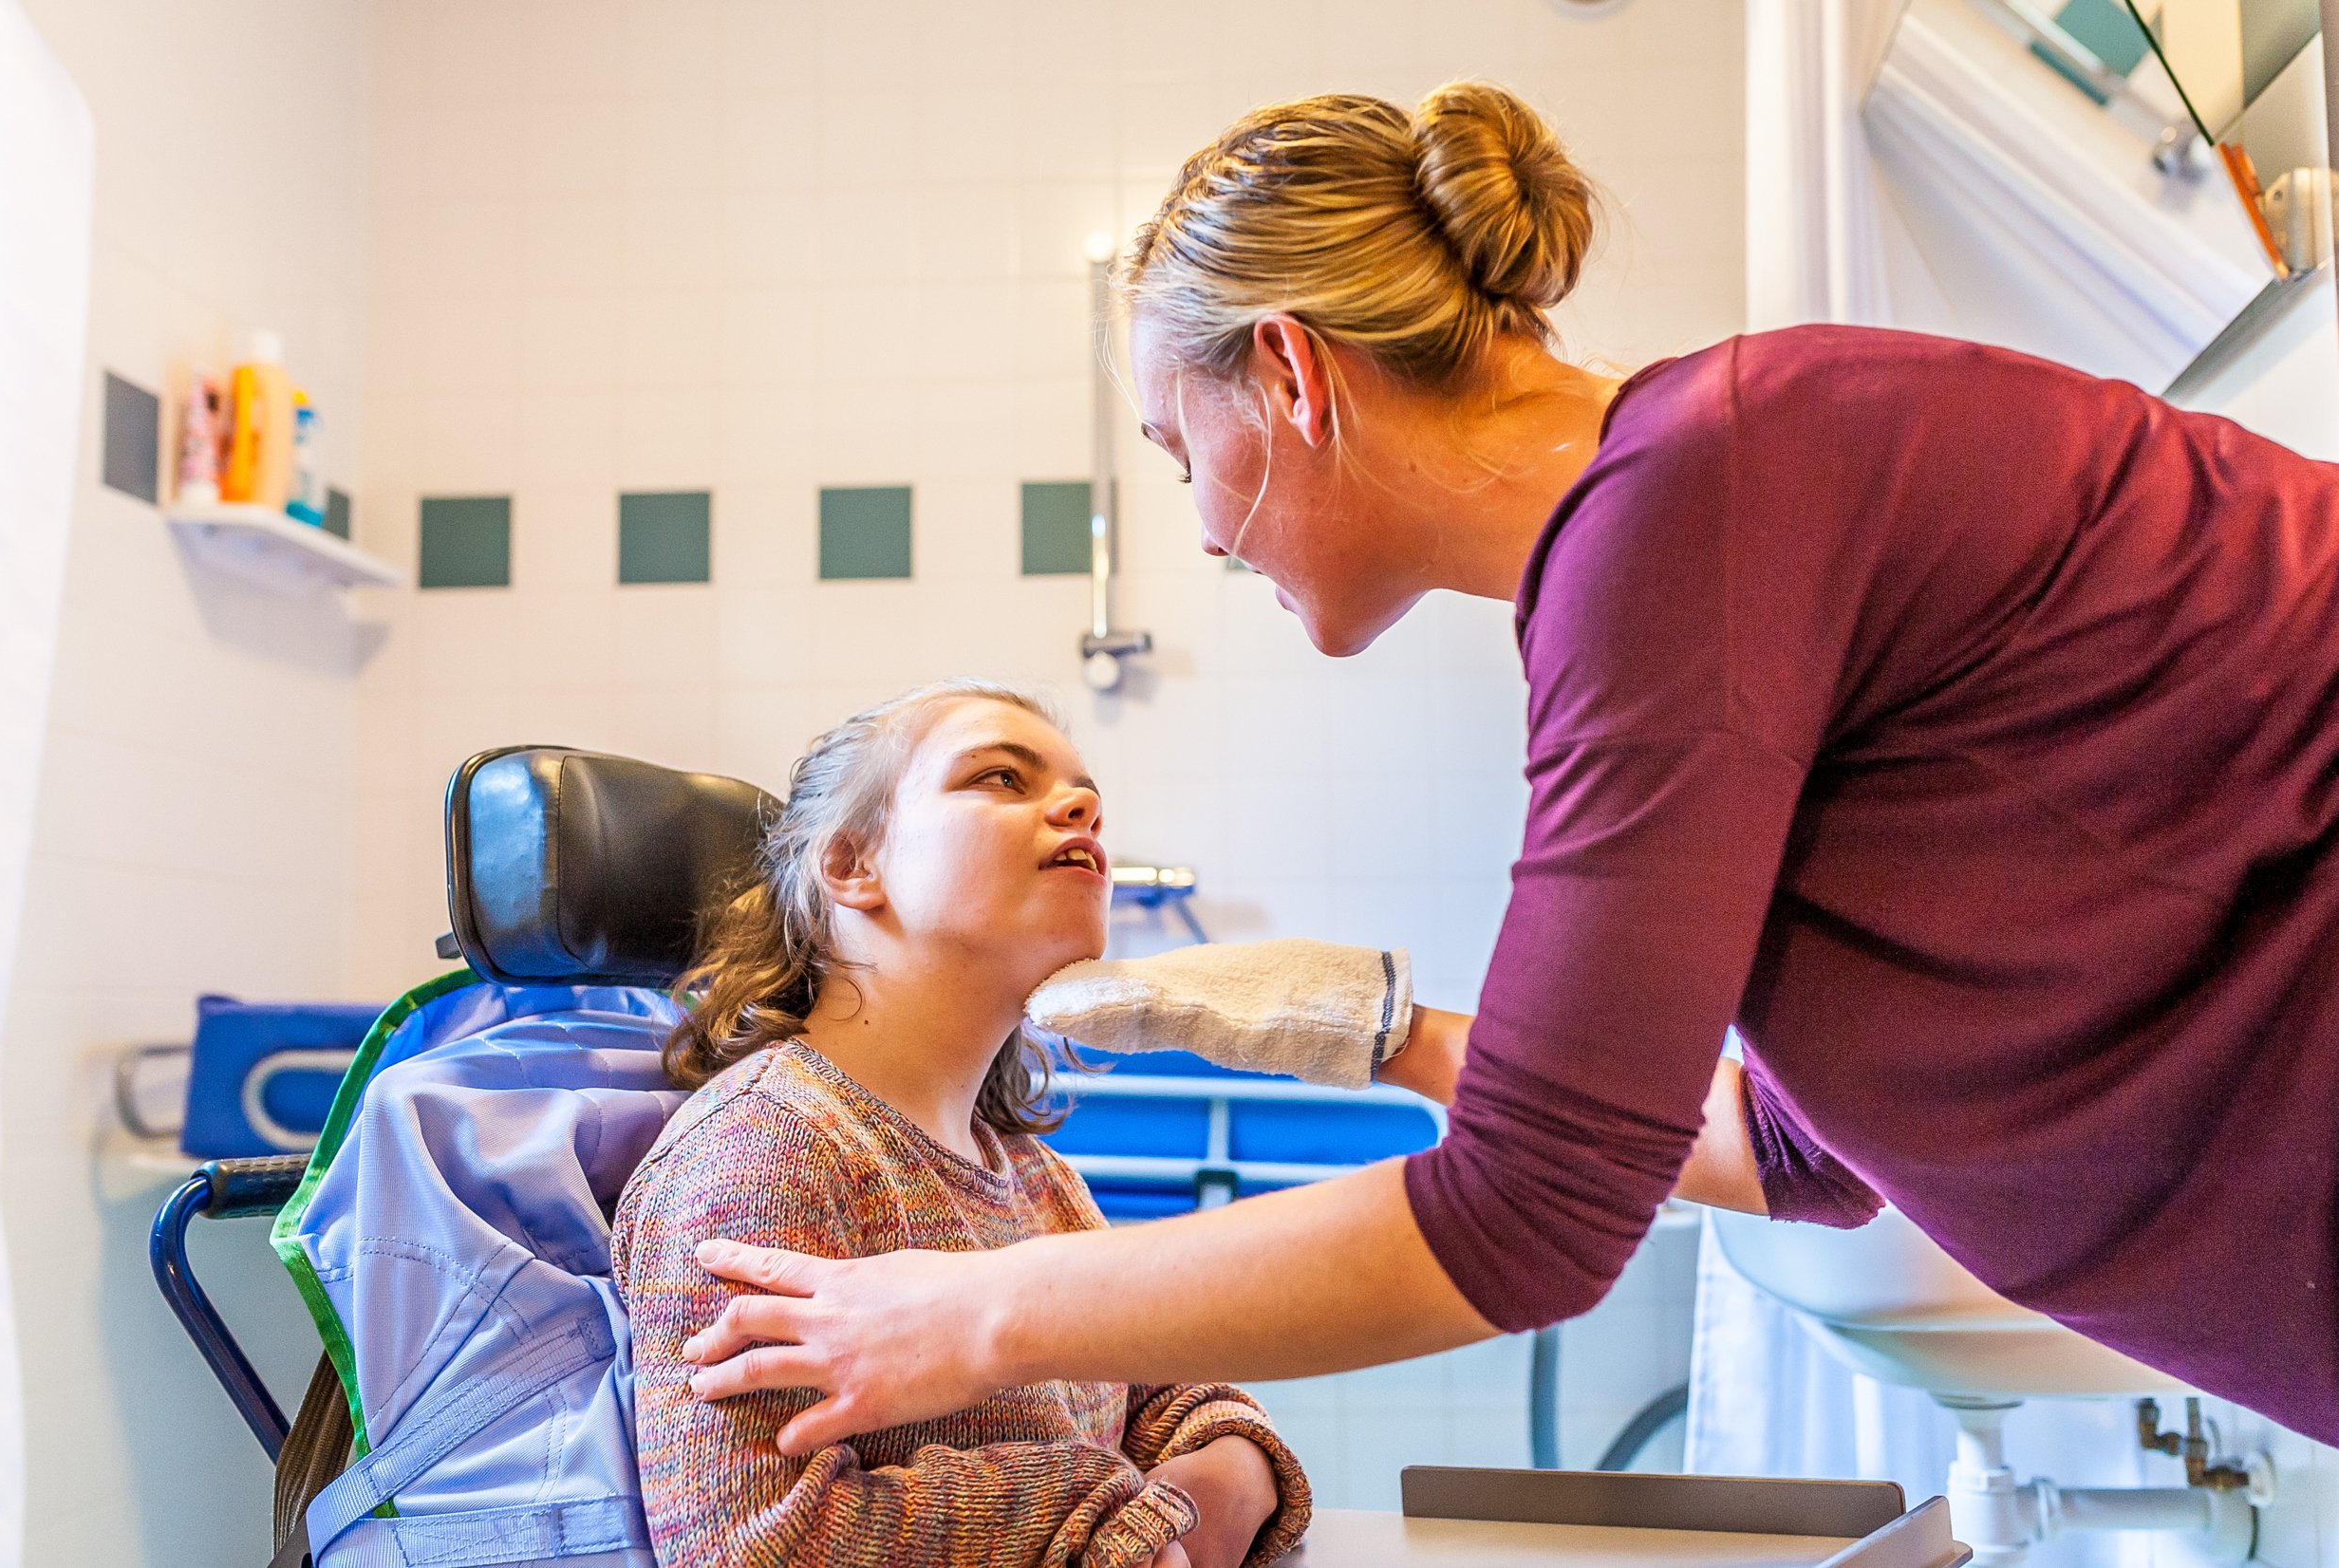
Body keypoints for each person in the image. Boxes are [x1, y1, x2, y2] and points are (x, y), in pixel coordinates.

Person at [676, 84, 2339, 1447]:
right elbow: (1809, 1149)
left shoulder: (1692, 506)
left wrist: (960, 1317)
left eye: (1183, 450)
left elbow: (1532, 1216)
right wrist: (1388, 1034)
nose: (1195, 525)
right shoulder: (1693, 504)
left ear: (1291, 373)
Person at [611, 679, 1312, 1568]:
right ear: (853, 866)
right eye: (999, 778)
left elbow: (1170, 1399)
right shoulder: (766, 1150)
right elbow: (756, 1547)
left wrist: (1225, 1474)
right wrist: (1106, 1517)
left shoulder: (1030, 1174)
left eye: (1083, 793)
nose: (1084, 807)